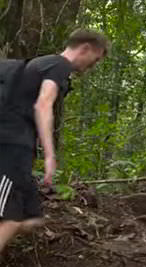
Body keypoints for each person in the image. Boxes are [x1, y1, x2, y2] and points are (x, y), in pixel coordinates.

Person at [0, 29, 110, 253]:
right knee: (11, 218)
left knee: (32, 218)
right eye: (96, 59)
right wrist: (50, 155)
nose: (94, 65)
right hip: (10, 146)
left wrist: (39, 138)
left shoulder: (43, 64)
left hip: (20, 146)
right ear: (85, 48)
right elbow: (42, 104)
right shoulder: (59, 65)